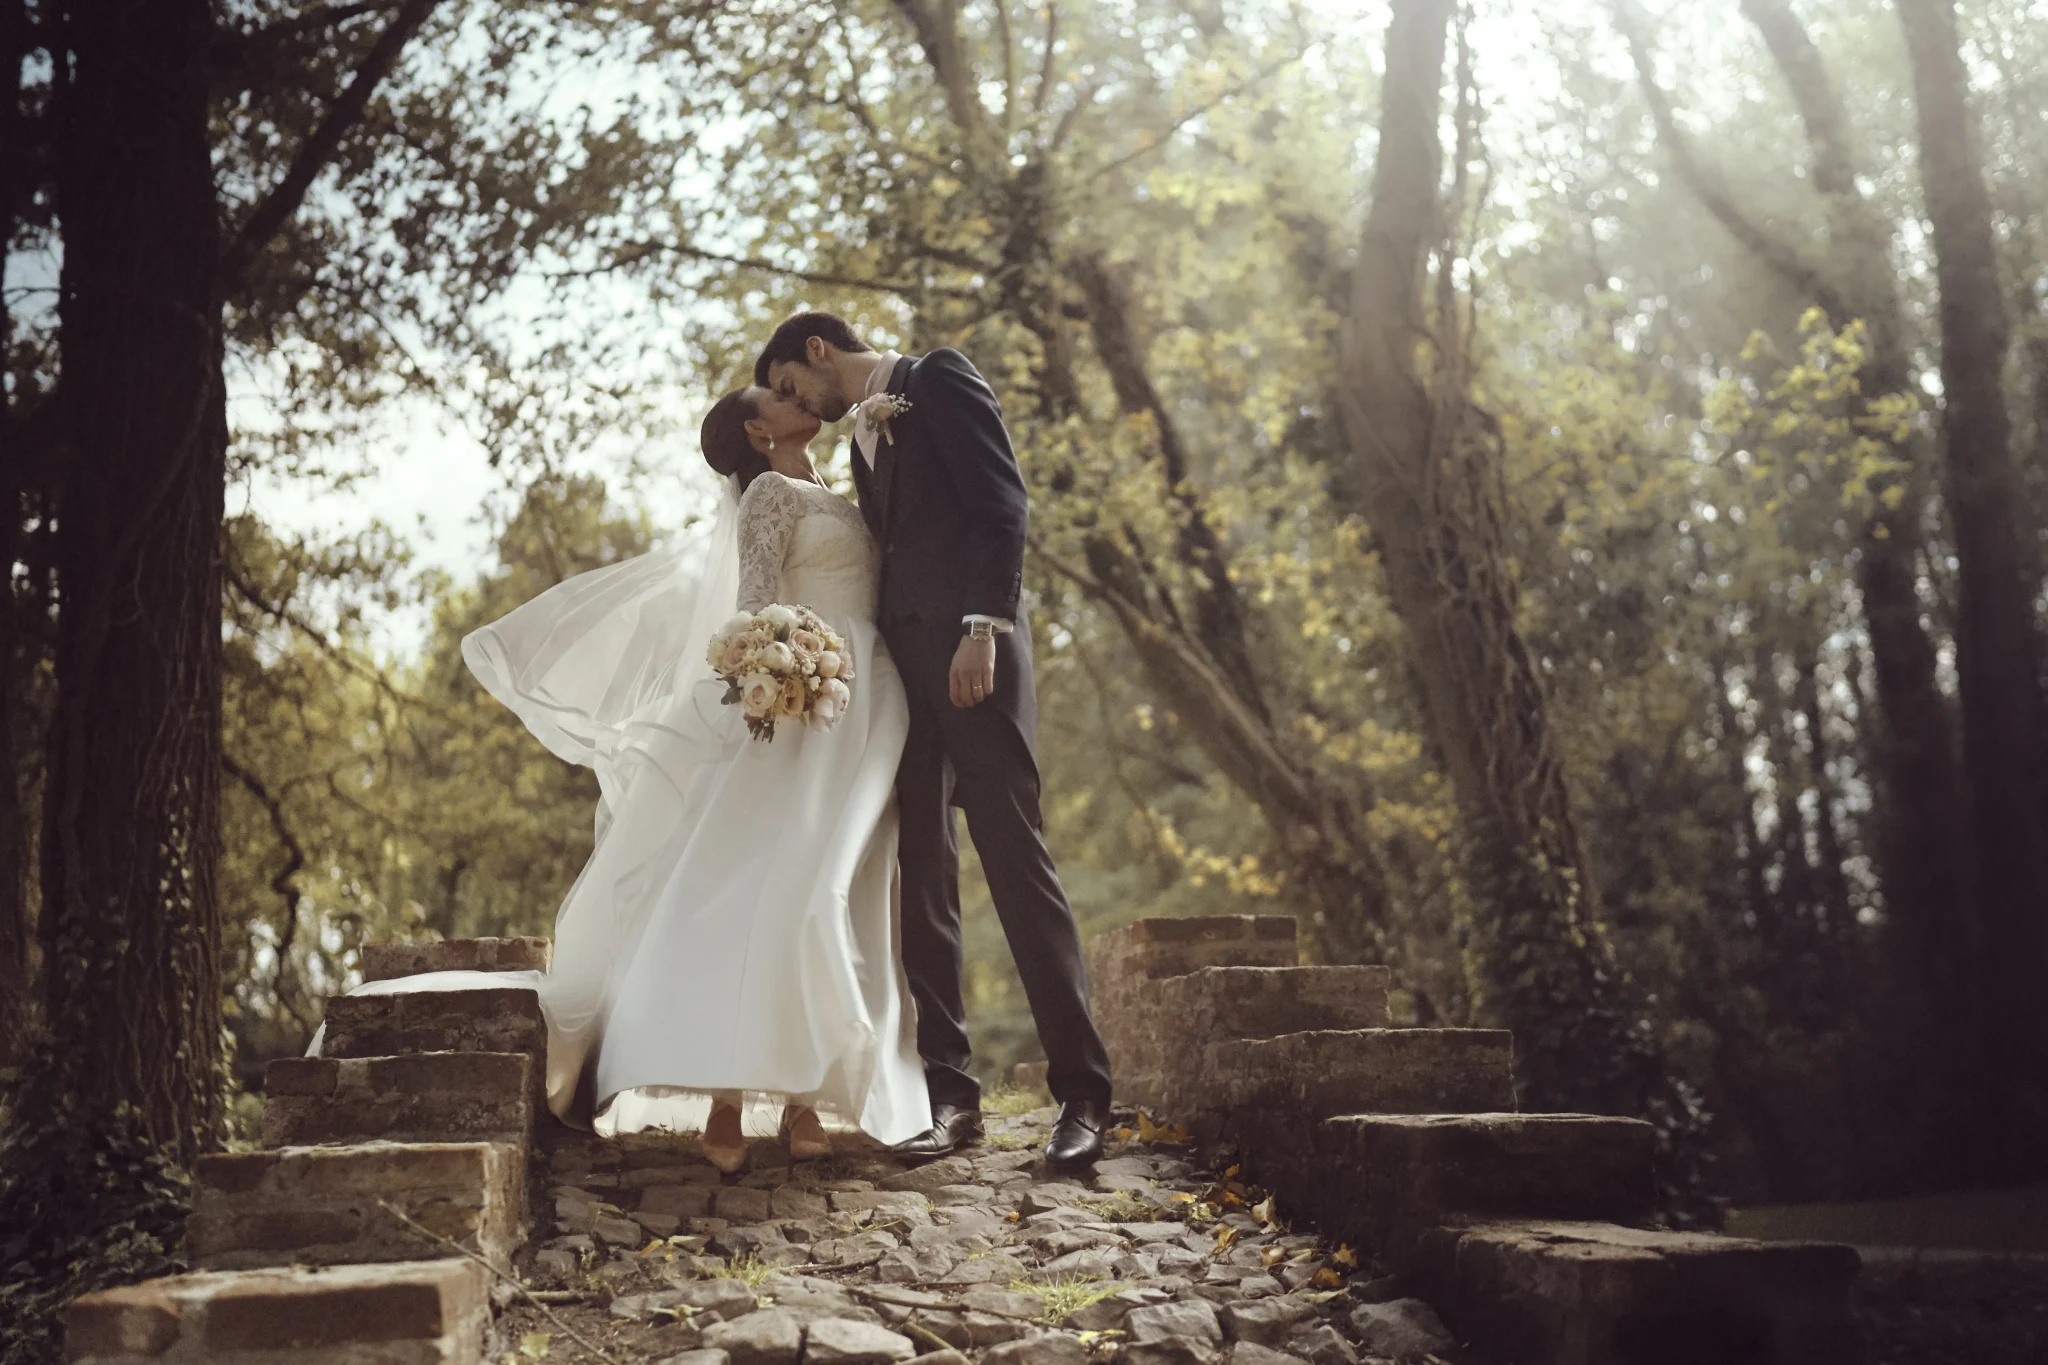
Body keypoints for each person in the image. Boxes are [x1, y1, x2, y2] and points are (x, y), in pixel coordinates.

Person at [310, 384, 930, 1173]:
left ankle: (810, 1094)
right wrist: (785, 672)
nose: (794, 396)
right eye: (775, 395)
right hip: (798, 703)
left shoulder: (843, 493)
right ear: (757, 430)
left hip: (865, 700)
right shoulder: (770, 494)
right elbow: (755, 605)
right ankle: (729, 1098)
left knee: (831, 882)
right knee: (755, 885)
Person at [756, 312, 1114, 1168]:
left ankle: (1085, 1096)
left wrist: (983, 629)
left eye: (785, 385)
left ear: (818, 351)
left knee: (1015, 862)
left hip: (974, 660)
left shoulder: (942, 377)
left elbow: (1002, 507)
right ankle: (952, 1098)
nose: (789, 402)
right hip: (903, 685)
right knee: (924, 876)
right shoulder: (860, 445)